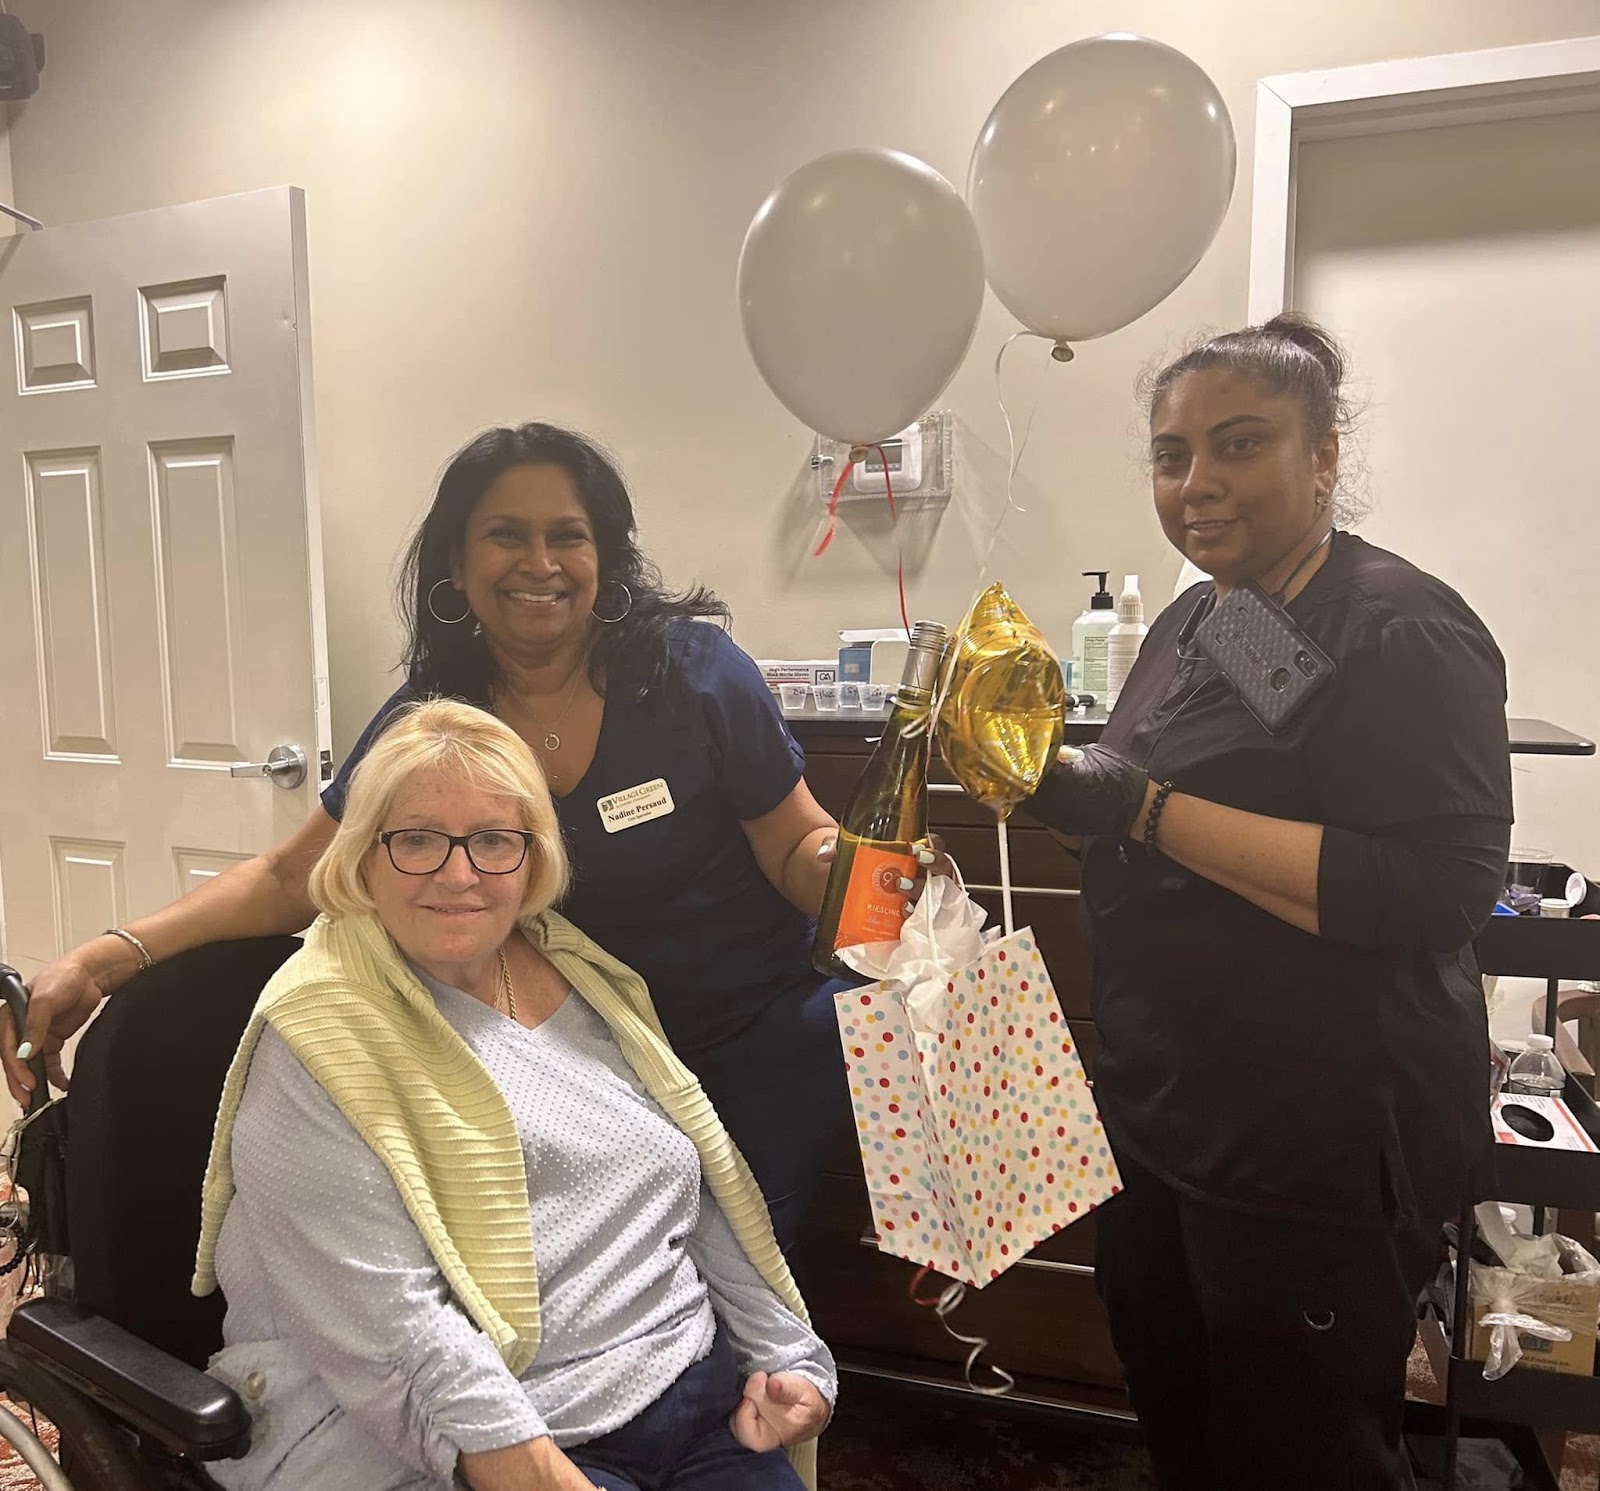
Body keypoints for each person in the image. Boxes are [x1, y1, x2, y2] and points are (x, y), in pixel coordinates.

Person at [12, 424, 904, 1251]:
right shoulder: (440, 720)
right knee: (599, 1279)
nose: (540, 562)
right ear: (457, 561)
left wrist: (870, 882)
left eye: (570, 534)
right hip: (575, 1060)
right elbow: (293, 876)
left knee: (738, 1278)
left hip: (750, 1043)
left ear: (607, 555)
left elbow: (796, 846)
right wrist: (110, 955)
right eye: (506, 534)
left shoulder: (693, 675)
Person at [1022, 316, 1511, 1491]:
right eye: (1170, 455)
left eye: (1238, 446)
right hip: (1174, 1119)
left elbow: (1433, 890)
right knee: (1188, 1426)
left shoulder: (1403, 628)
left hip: (1317, 1143)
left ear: (1324, 457)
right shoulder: (1223, 615)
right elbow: (1243, 769)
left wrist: (1139, 812)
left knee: (1304, 1457)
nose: (1196, 486)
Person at [194, 698, 834, 1491]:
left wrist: (789, 1358)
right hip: (501, 1438)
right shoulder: (319, 1034)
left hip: (696, 1401)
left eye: (494, 840)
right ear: (362, 857)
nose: (459, 873)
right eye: (419, 839)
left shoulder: (577, 969)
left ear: (533, 859)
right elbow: (400, 1332)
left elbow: (683, 1181)